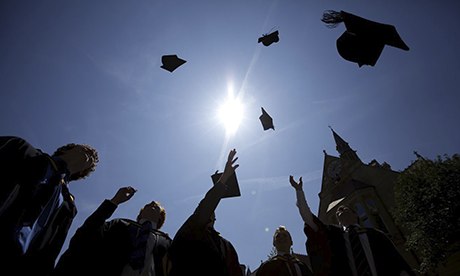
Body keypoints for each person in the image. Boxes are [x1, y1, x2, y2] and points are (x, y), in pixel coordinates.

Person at [0, 136, 98, 276]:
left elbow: (51, 250)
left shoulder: (69, 207)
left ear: (83, 172)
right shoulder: (21, 149)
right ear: (65, 150)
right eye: (85, 149)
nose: (89, 154)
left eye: (92, 159)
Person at [289, 175, 415, 276]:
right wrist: (299, 191)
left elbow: (398, 264)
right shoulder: (335, 235)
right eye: (338, 211)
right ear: (337, 221)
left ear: (356, 216)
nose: (341, 208)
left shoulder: (376, 235)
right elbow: (308, 218)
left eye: (346, 208)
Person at [53, 186, 171, 276]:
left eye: (157, 206)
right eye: (148, 204)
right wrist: (114, 201)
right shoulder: (120, 224)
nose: (152, 204)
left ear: (161, 217)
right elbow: (88, 233)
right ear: (140, 214)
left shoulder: (166, 242)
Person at [167, 149, 244, 276]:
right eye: (208, 211)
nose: (210, 212)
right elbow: (205, 207)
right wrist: (224, 177)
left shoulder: (226, 246)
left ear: (214, 219)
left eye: (212, 213)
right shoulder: (190, 231)